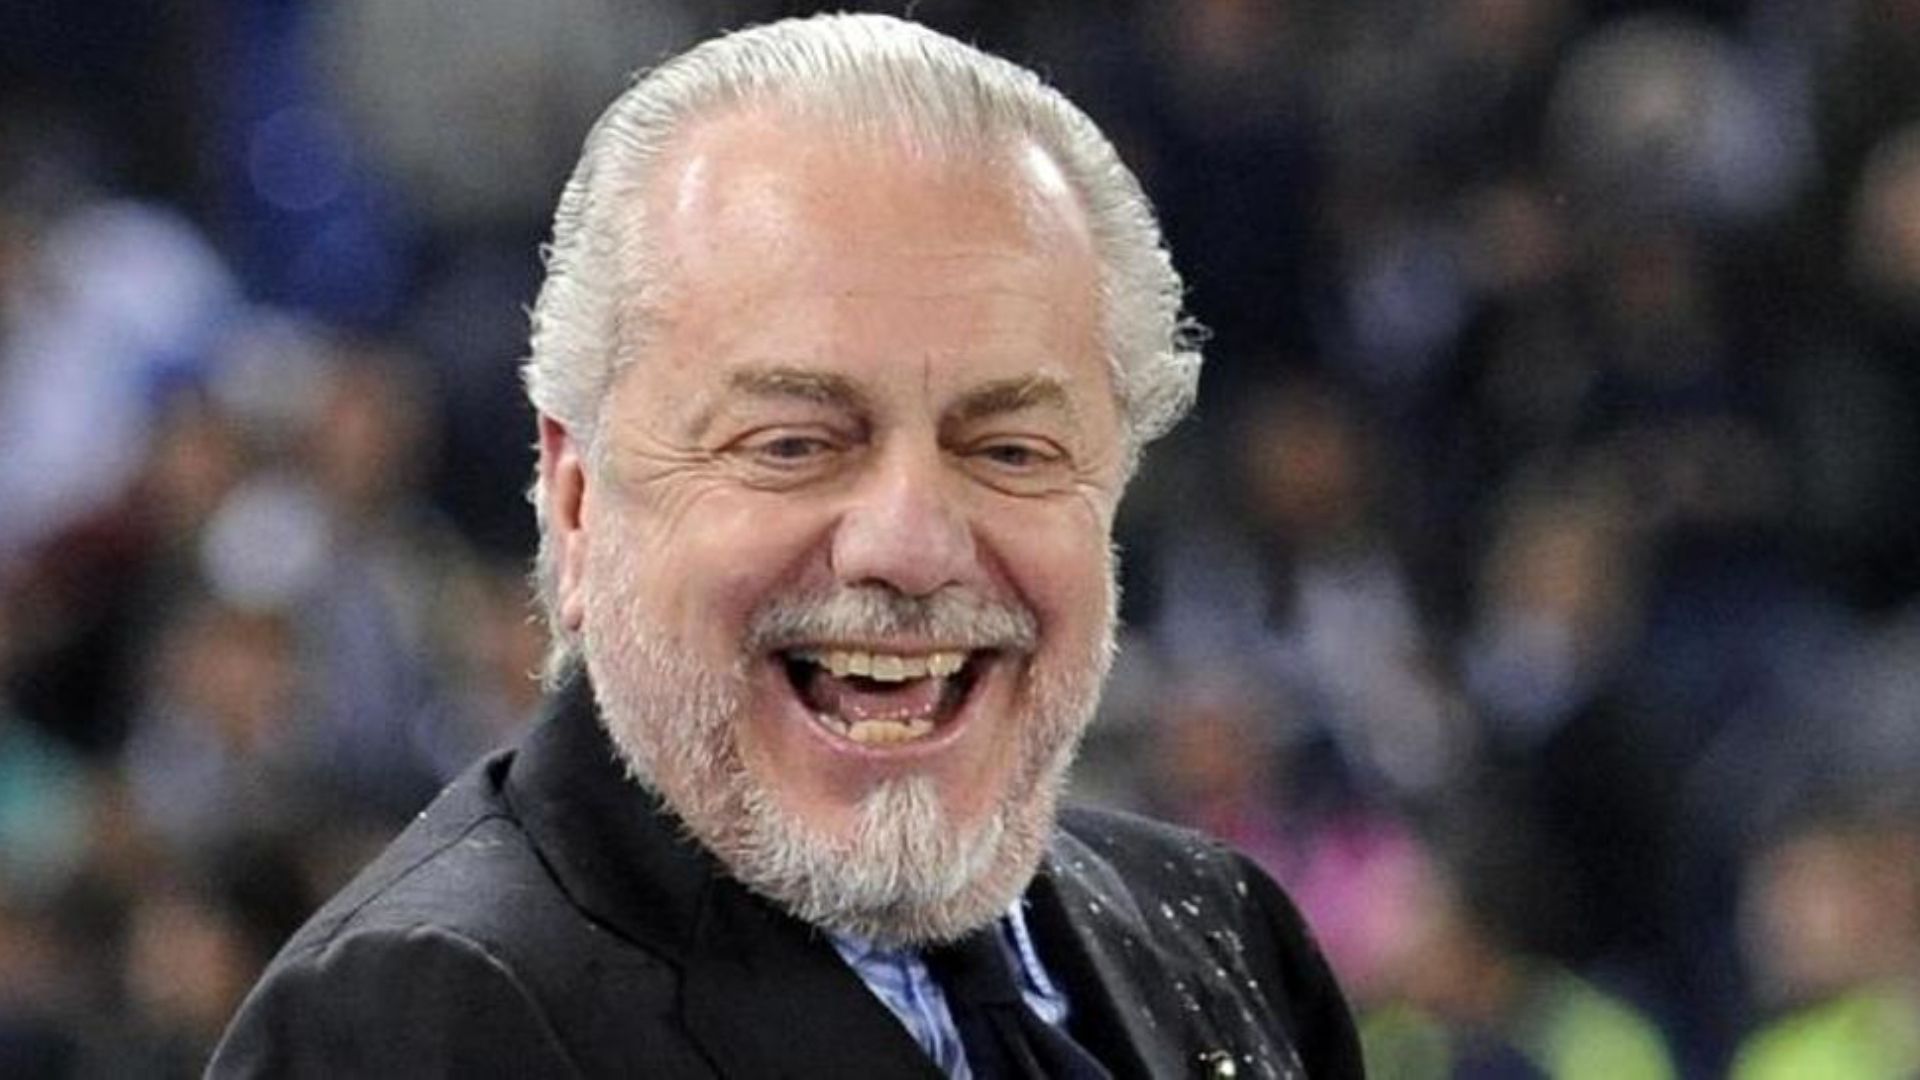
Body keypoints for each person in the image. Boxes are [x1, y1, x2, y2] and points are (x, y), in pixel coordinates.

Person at [208, 14, 1361, 1078]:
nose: (911, 545)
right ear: (576, 501)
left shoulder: (1225, 937)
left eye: (1010, 450)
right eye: (794, 444)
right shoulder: (423, 1022)